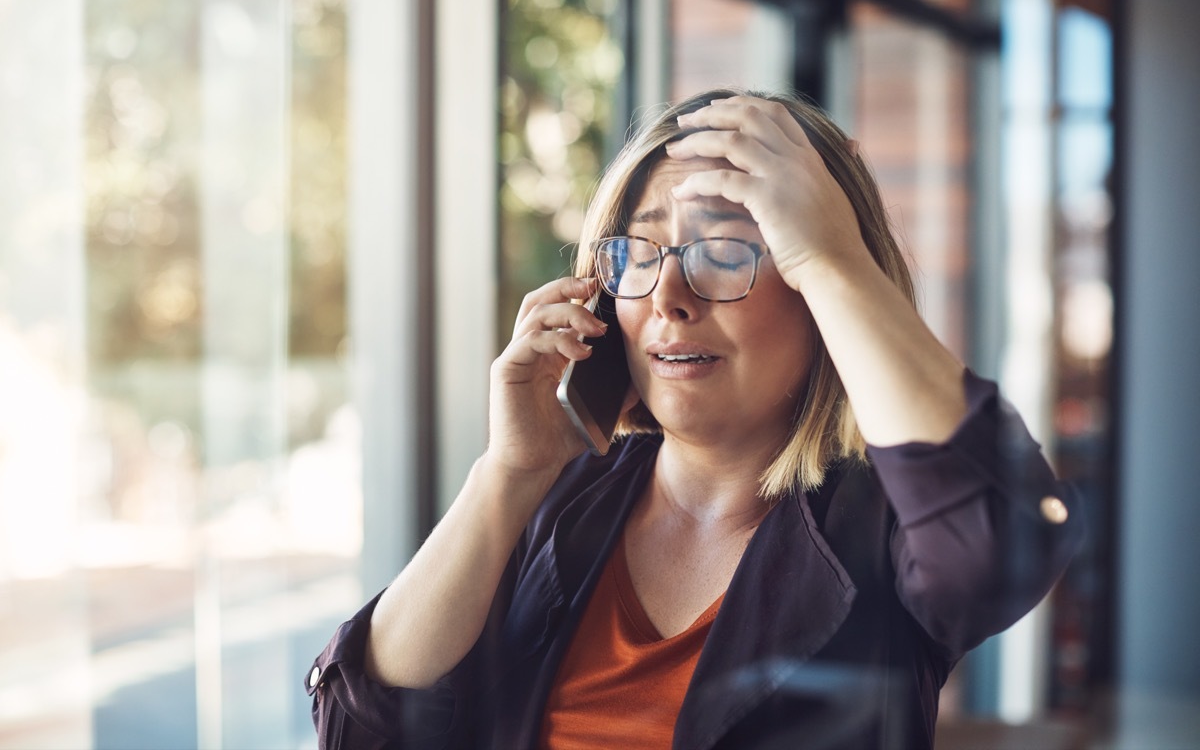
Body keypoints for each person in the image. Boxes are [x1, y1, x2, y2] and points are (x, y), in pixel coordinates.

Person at [305, 88, 1083, 749]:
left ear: (820, 292)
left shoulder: (880, 526)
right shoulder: (558, 501)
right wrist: (505, 477)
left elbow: (997, 543)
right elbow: (361, 726)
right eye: (639, 254)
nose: (669, 298)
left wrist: (833, 255)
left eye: (726, 250)